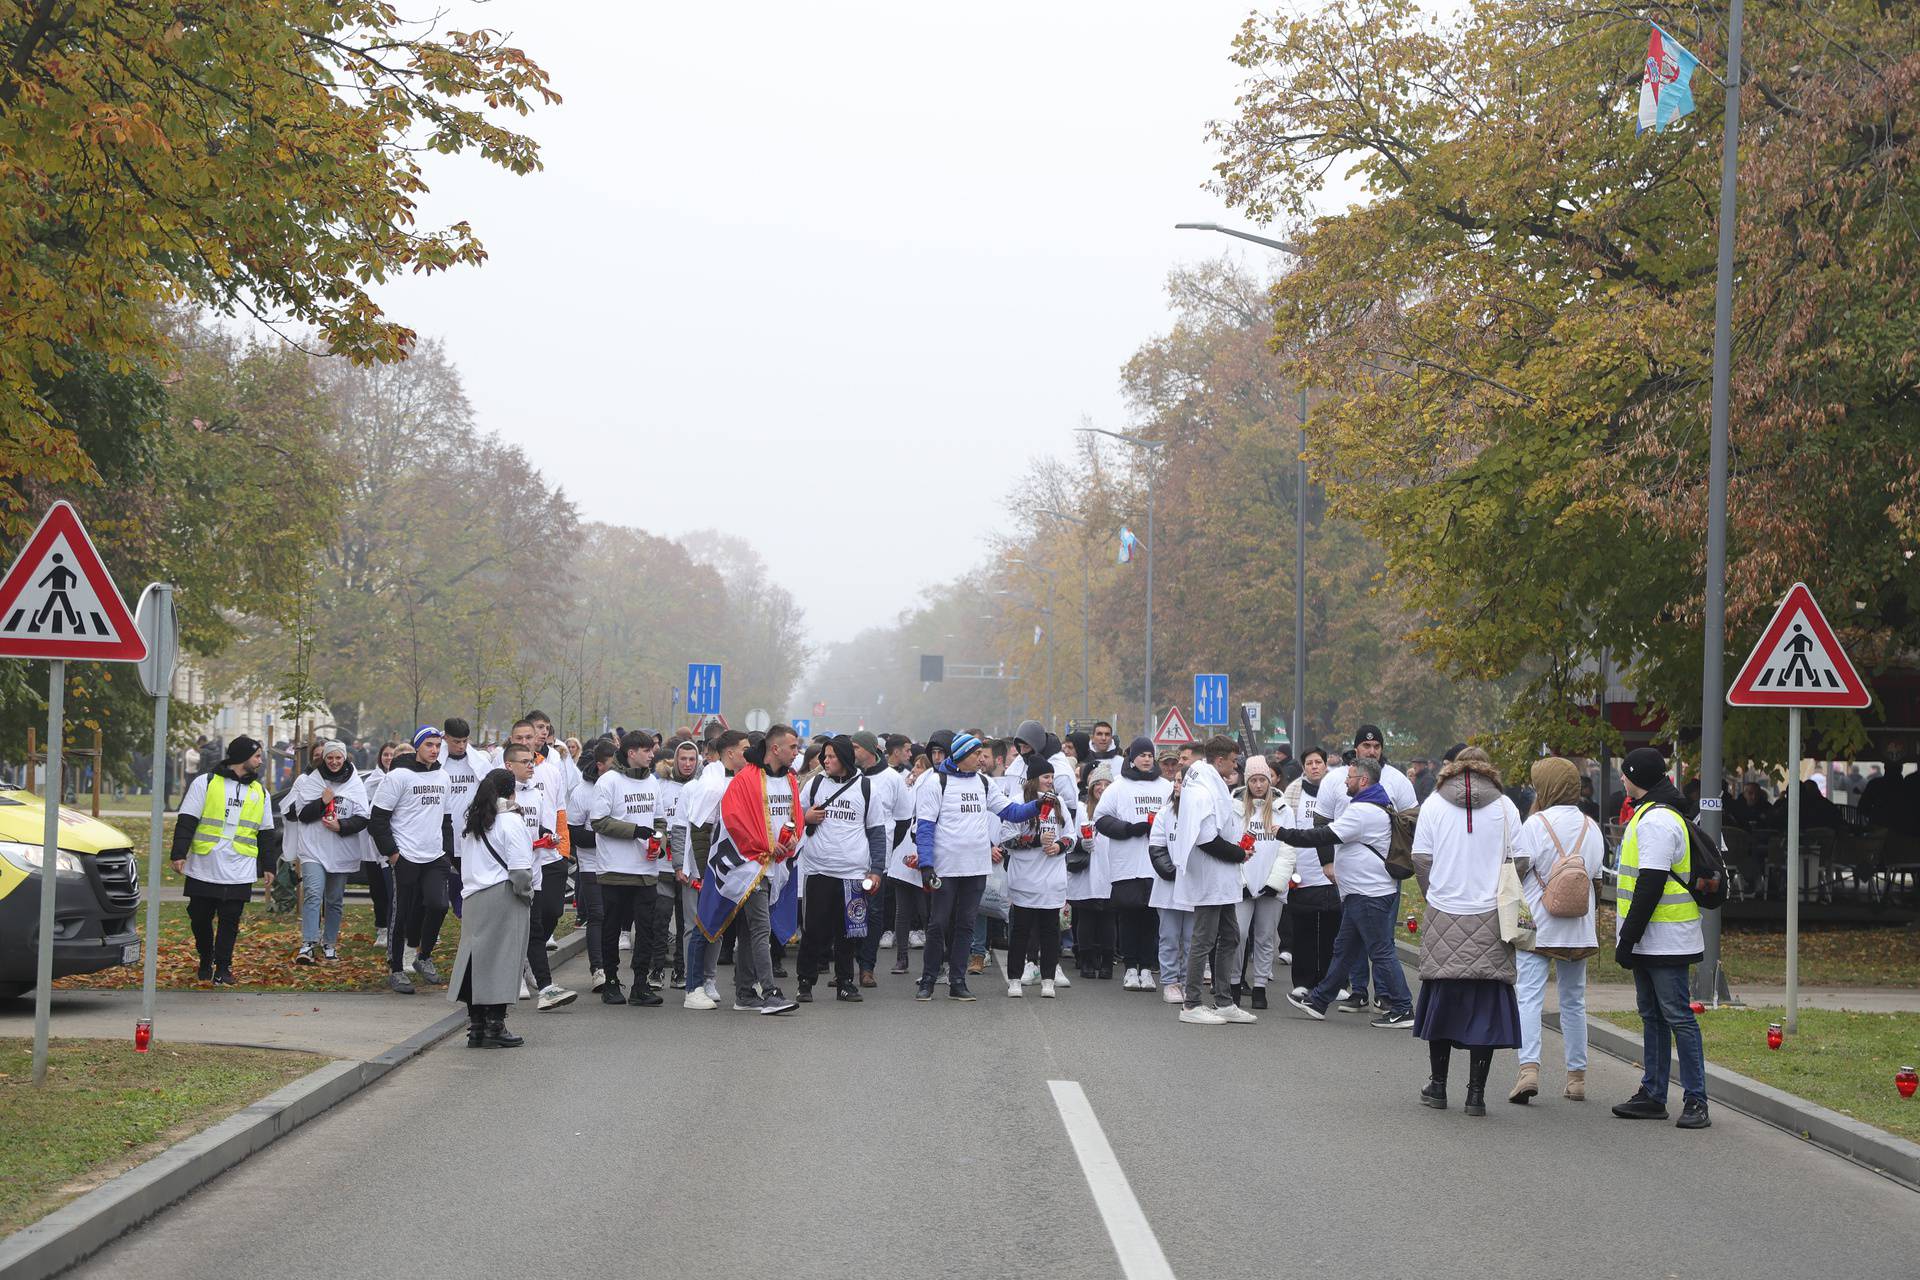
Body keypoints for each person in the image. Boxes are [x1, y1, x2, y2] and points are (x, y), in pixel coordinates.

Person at [1407, 747, 1523, 1116]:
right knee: (1486, 1006)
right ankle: (1476, 1094)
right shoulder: (1506, 807)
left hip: (1445, 912)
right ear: (1489, 770)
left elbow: (1421, 858)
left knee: (1442, 999)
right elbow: (1520, 858)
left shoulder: (1434, 804)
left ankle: (1438, 1085)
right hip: (1491, 916)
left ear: (1452, 770)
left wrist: (1436, 894)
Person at [1611, 747, 1711, 1130]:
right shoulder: (1650, 814)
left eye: (1625, 773)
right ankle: (1653, 1093)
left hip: (1667, 941)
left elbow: (1650, 885)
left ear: (1639, 777)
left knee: (1678, 1017)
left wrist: (1627, 940)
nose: (1622, 779)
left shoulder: (1657, 820)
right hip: (1653, 940)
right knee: (1653, 1016)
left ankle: (1696, 1100)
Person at [1278, 755, 1414, 1028]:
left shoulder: (1363, 811)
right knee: (1344, 950)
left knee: (1380, 951)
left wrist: (1284, 833)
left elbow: (1323, 835)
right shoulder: (1374, 805)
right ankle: (1319, 1001)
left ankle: (1403, 1008)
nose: (1345, 782)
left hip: (1368, 894)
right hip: (1360, 893)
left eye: (1349, 778)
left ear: (1363, 781)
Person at [907, 731, 1043, 1002]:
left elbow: (1010, 812)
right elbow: (924, 828)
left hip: (977, 867)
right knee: (937, 925)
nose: (981, 759)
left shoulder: (983, 783)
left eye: (981, 754)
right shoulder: (937, 782)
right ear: (960, 756)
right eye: (975, 755)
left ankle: (958, 981)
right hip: (945, 868)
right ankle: (929, 980)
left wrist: (1038, 805)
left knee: (966, 926)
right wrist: (926, 865)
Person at [1510, 757, 1604, 1104]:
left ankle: (1529, 1070)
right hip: (1579, 929)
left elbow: (1517, 871)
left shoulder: (1535, 825)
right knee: (1573, 1001)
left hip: (1537, 926)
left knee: (1529, 998)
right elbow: (1595, 879)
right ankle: (1576, 1077)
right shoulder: (1591, 828)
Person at [704, 727, 804, 1014]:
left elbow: (793, 815)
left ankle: (745, 993)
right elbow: (734, 820)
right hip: (749, 865)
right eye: (792, 747)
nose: (796, 752)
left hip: (776, 865)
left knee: (750, 931)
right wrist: (766, 846)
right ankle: (770, 992)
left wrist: (794, 837)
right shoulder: (746, 779)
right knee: (762, 928)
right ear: (775, 749)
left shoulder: (790, 780)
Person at [171, 736, 278, 984]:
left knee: (230, 920)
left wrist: (269, 866)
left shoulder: (260, 792)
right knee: (199, 917)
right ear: (242, 757)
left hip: (239, 868)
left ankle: (223, 967)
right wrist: (178, 853)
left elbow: (266, 833)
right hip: (205, 865)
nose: (261, 761)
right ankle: (206, 957)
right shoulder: (205, 783)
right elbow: (187, 820)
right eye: (257, 756)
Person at [795, 735, 888, 1003]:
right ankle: (805, 982)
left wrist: (876, 870)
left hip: (853, 873)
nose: (826, 760)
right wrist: (806, 817)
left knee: (849, 931)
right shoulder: (815, 784)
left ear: (845, 758)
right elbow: (793, 817)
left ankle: (846, 982)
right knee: (813, 930)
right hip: (818, 870)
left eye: (832, 756)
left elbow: (876, 832)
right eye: (825, 755)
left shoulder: (866, 788)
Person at [1173, 737, 1259, 1025]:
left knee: (1231, 936)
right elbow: (1206, 838)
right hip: (1209, 876)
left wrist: (1239, 850)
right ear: (1219, 760)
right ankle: (1191, 1003)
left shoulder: (1213, 783)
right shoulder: (1202, 789)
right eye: (1233, 760)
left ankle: (1224, 1001)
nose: (1236, 766)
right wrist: (1237, 853)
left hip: (1221, 878)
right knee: (1204, 940)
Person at [449, 767, 533, 1048]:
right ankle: (496, 1025)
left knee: (475, 962)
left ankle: (476, 1027)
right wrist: (527, 895)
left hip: (473, 896)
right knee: (503, 962)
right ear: (512, 791)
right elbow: (520, 870)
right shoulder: (512, 821)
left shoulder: (474, 820)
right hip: (503, 894)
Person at [370, 726, 453, 994]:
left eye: (438, 746)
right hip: (406, 855)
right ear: (417, 745)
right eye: (429, 745)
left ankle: (423, 956)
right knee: (401, 913)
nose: (434, 750)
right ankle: (395, 968)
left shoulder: (443, 776)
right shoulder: (398, 777)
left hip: (434, 856)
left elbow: (446, 819)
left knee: (438, 905)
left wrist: (448, 852)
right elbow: (378, 820)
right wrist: (393, 854)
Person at [589, 731, 667, 1008]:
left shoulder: (652, 782)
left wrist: (659, 839)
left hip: (646, 868)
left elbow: (659, 820)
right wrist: (635, 831)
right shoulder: (609, 780)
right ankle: (611, 981)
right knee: (611, 928)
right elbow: (598, 822)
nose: (652, 754)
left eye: (652, 750)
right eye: (646, 750)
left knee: (646, 929)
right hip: (615, 868)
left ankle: (641, 984)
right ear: (631, 752)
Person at [673, 729, 747, 1009]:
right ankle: (692, 984)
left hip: (727, 867)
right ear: (729, 753)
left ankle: (709, 978)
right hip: (700, 868)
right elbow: (683, 827)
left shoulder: (740, 782)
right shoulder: (700, 786)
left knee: (716, 925)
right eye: (744, 748)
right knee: (696, 927)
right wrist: (681, 864)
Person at [1093, 736, 1171, 990]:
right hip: (1127, 863)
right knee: (1129, 916)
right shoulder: (1118, 786)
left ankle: (1147, 968)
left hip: (1155, 864)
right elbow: (1101, 819)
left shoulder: (1165, 787)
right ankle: (1129, 968)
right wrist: (1130, 829)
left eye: (1150, 755)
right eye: (1142, 755)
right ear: (1132, 758)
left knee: (1150, 918)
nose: (1147, 759)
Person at [289, 741, 370, 964]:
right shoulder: (313, 781)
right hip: (313, 849)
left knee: (334, 899)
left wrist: (341, 826)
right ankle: (308, 943)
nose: (334, 762)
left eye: (338, 758)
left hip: (341, 851)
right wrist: (322, 802)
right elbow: (302, 814)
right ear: (323, 759)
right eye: (329, 758)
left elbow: (363, 818)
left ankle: (329, 943)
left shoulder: (354, 783)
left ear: (345, 759)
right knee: (313, 893)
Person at [1004, 759, 1073, 999]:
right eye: (1045, 777)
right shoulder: (1017, 804)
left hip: (1051, 879)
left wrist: (1059, 846)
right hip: (1025, 879)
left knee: (1050, 932)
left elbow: (1071, 835)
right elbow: (1006, 839)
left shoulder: (1059, 803)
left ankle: (1048, 980)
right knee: (1021, 930)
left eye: (1052, 777)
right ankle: (1014, 978)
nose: (1050, 781)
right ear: (1034, 780)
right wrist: (1035, 841)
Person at [1278, 747, 1340, 997]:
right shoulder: (1293, 791)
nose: (1314, 766)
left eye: (1319, 762)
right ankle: (1302, 982)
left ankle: (1329, 983)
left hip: (1332, 870)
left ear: (1326, 765)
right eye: (1309, 763)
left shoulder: (1338, 790)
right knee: (1303, 929)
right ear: (1303, 767)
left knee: (1330, 931)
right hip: (1302, 869)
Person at [1231, 755, 1290, 1009]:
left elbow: (1288, 849)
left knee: (1266, 937)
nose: (1258, 785)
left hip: (1271, 886)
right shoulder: (1234, 809)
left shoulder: (1283, 810)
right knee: (1239, 934)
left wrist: (1275, 883)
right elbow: (1231, 845)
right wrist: (1241, 882)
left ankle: (1260, 987)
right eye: (1253, 780)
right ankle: (1233, 982)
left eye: (1262, 780)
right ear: (1247, 782)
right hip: (1242, 884)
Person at [570, 739, 618, 993]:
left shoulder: (622, 786)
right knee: (597, 915)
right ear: (599, 765)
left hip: (619, 865)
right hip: (591, 865)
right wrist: (609, 836)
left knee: (614, 917)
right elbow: (575, 834)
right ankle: (597, 969)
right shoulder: (582, 792)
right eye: (612, 765)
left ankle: (612, 969)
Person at [1068, 762, 1115, 980]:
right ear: (1091, 786)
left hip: (1109, 869)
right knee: (1085, 917)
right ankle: (1086, 959)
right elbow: (1069, 835)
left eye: (1107, 783)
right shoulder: (1080, 810)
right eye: (1098, 783)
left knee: (1108, 919)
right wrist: (1080, 844)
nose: (1102, 787)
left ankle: (1107, 962)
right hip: (1086, 869)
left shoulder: (1116, 809)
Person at [360, 739, 400, 948]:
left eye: (393, 755)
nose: (389, 758)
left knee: (394, 889)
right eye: (385, 754)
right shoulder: (370, 781)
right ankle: (382, 929)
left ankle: (396, 928)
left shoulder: (402, 779)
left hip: (394, 841)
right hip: (372, 844)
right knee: (378, 890)